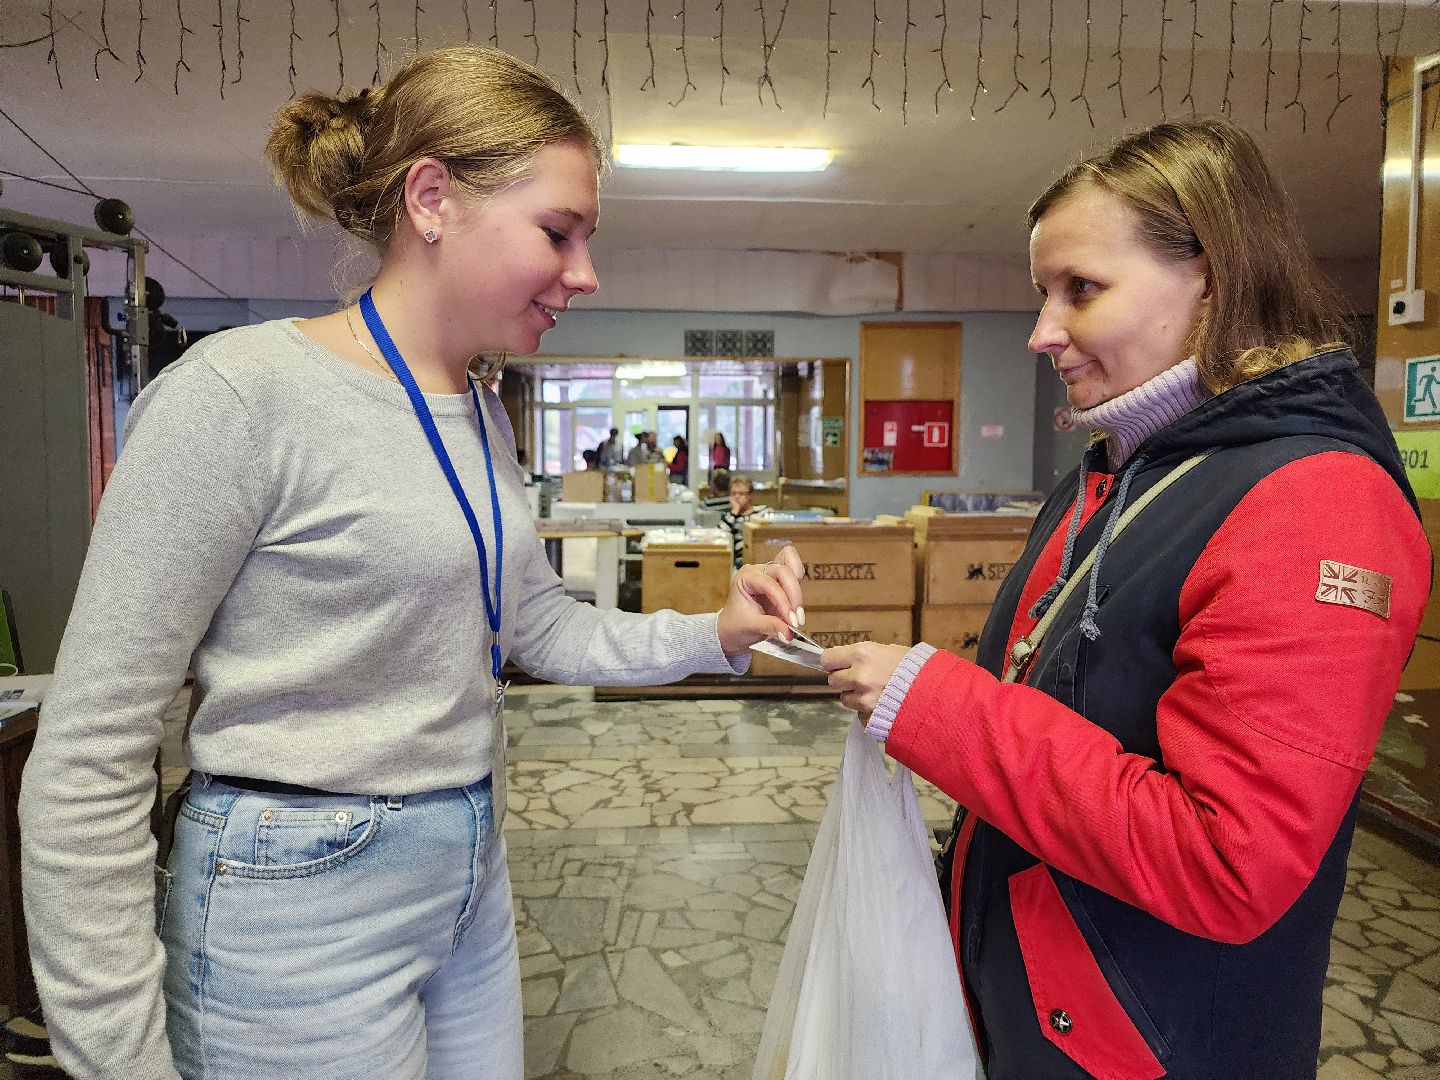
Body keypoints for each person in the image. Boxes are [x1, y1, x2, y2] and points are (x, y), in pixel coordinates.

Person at [19, 44, 807, 1080]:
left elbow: (538, 626)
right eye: (558, 232)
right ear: (432, 199)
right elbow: (84, 760)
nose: (586, 273)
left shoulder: (481, 412)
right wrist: (117, 1061)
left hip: (465, 868)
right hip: (293, 898)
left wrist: (717, 633)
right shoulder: (240, 397)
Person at [822, 117, 1428, 1079]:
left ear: (1213, 279)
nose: (1042, 333)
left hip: (1155, 1039)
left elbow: (1229, 861)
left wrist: (935, 706)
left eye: (1082, 291)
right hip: (1046, 998)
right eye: (1042, 293)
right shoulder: (1114, 474)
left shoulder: (1319, 503)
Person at [721, 474, 757, 569]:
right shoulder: (728, 517)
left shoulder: (762, 512)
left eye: (741, 493)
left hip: (760, 557)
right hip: (740, 564)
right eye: (733, 494)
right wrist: (734, 513)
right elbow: (720, 536)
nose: (736, 497)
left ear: (750, 495)